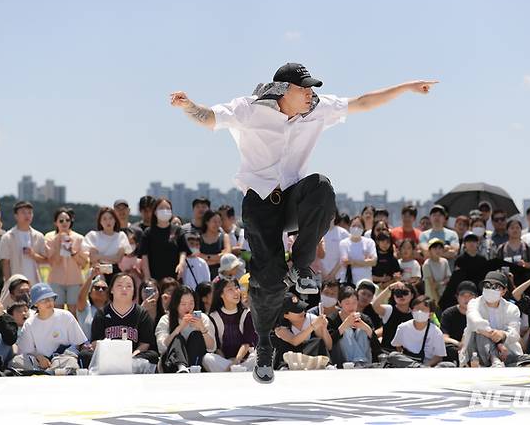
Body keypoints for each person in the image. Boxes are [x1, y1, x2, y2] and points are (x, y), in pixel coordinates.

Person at [170, 62, 438, 383]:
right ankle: (266, 343)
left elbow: (363, 102)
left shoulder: (318, 109)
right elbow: (210, 117)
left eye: (312, 89)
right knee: (267, 281)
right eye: (304, 89)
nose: (311, 94)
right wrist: (189, 106)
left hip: (294, 200)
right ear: (284, 91)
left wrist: (406, 87)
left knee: (321, 186)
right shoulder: (249, 110)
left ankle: (301, 266)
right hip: (260, 205)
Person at [90, 273, 159, 373]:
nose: (124, 289)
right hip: (107, 357)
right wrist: (113, 356)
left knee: (152, 355)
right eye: (119, 285)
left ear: (134, 291)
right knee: (85, 355)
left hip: (133, 357)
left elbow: (145, 343)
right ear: (112, 290)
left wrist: (132, 356)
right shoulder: (102, 313)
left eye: (129, 286)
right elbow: (95, 342)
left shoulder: (141, 313)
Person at [13, 283, 89, 373]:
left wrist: (61, 356)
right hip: (40, 362)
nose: (49, 302)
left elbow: (78, 343)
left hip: (63, 358)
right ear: (36, 304)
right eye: (44, 300)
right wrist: (39, 357)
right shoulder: (29, 323)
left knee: (70, 361)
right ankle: (51, 372)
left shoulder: (65, 315)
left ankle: (48, 372)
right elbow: (26, 351)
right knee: (16, 361)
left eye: (51, 298)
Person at [459, 271, 525, 367]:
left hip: (506, 354)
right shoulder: (474, 303)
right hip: (477, 354)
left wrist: (502, 335)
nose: (491, 289)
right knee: (478, 332)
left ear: (504, 291)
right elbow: (476, 322)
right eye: (487, 285)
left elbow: (515, 334)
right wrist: (497, 341)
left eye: (496, 287)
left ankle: (504, 361)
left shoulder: (512, 308)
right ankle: (494, 359)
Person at [155, 285, 216, 373]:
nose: (188, 307)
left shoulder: (202, 318)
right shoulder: (166, 319)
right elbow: (162, 347)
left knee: (196, 335)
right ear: (176, 304)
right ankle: (182, 367)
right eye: (183, 304)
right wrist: (179, 328)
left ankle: (192, 368)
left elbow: (212, 347)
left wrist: (202, 329)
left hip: (197, 364)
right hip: (172, 365)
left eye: (191, 303)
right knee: (177, 338)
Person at [204, 277, 257, 372]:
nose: (236, 292)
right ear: (221, 294)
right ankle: (236, 371)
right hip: (225, 360)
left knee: (257, 356)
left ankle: (231, 371)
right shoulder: (214, 316)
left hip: (244, 360)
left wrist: (236, 361)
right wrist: (228, 362)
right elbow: (217, 347)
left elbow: (247, 343)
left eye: (237, 288)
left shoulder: (247, 313)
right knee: (207, 358)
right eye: (230, 289)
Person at [0, 201, 47, 304]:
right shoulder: (7, 237)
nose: (27, 215)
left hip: (35, 283)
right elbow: (5, 263)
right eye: (23, 212)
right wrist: (8, 283)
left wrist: (33, 255)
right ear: (16, 215)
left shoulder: (39, 236)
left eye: (30, 212)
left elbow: (46, 260)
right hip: (16, 284)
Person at [387, 295, 452, 368]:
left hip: (427, 364)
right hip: (408, 361)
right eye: (417, 309)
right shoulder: (403, 327)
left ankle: (420, 368)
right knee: (393, 355)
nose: (419, 312)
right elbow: (397, 346)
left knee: (449, 365)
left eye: (423, 309)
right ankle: (418, 367)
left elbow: (439, 356)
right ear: (412, 311)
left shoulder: (436, 332)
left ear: (430, 314)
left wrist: (427, 365)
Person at [45, 208, 88, 315]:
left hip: (75, 280)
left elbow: (84, 264)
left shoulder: (79, 238)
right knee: (56, 311)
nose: (64, 223)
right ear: (55, 223)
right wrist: (59, 242)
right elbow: (52, 262)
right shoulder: (50, 237)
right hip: (56, 279)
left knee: (74, 312)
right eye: (61, 221)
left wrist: (72, 251)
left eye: (67, 220)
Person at [274, 292, 332, 370]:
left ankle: (326, 364)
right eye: (296, 310)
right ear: (285, 315)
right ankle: (284, 366)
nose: (301, 312)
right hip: (289, 357)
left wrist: (324, 329)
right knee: (284, 344)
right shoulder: (280, 328)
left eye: (301, 308)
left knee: (317, 341)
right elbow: (294, 341)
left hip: (309, 355)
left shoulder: (312, 319)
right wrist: (312, 326)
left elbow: (328, 346)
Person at [326, 285, 379, 367]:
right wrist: (345, 325)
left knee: (363, 330)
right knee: (347, 330)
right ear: (340, 303)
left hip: (366, 360)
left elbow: (377, 345)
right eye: (347, 303)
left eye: (354, 302)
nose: (351, 306)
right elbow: (330, 343)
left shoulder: (365, 318)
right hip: (343, 360)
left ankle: (362, 362)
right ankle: (356, 362)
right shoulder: (332, 319)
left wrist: (365, 327)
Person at [83, 207, 133, 283]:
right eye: (104, 219)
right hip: (97, 271)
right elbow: (93, 258)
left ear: (115, 220)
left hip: (115, 272)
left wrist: (100, 256)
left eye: (110, 218)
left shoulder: (121, 236)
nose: (108, 221)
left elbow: (118, 259)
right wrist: (110, 257)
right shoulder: (93, 236)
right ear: (100, 221)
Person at [139, 197, 181, 282]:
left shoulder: (177, 230)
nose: (165, 211)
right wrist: (147, 277)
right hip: (154, 277)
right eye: (161, 208)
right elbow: (144, 256)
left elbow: (183, 250)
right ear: (154, 212)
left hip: (174, 278)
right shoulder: (148, 232)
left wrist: (181, 264)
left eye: (168, 208)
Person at [372, 281, 417, 350]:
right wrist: (389, 288)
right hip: (387, 352)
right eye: (398, 293)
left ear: (412, 296)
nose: (401, 296)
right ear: (393, 296)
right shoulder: (389, 310)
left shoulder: (415, 315)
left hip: (407, 354)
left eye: (405, 292)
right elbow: (375, 305)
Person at [440, 281, 477, 365]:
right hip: (456, 347)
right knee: (446, 348)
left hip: (475, 347)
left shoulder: (480, 312)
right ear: (457, 297)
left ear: (476, 298)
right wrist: (459, 344)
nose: (466, 298)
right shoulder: (448, 313)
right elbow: (444, 337)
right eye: (463, 295)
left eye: (470, 295)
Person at [339, 216, 378, 285]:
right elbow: (345, 261)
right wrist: (365, 261)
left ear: (363, 228)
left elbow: (373, 262)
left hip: (366, 280)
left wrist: (352, 261)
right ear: (349, 227)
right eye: (353, 226)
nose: (356, 228)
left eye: (359, 226)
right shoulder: (344, 243)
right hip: (349, 281)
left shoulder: (369, 242)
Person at [76, 269, 108, 341]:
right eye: (97, 288)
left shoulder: (111, 310)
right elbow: (80, 297)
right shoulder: (85, 307)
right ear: (90, 293)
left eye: (104, 288)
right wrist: (91, 277)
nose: (100, 290)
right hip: (85, 348)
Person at [199, 210, 231, 278]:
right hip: (202, 272)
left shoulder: (224, 237)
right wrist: (217, 259)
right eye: (214, 221)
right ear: (207, 222)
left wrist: (206, 258)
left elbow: (226, 255)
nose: (217, 224)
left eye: (219, 222)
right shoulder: (198, 238)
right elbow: (197, 256)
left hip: (220, 274)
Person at [320, 214, 350, 282]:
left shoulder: (344, 233)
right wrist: (323, 273)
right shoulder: (317, 231)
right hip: (320, 275)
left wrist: (333, 274)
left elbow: (344, 256)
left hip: (339, 276)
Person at [422, 238, 451, 305]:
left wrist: (439, 283)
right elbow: (432, 286)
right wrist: (438, 303)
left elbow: (448, 278)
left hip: (444, 296)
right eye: (435, 248)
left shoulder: (445, 261)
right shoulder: (427, 264)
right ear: (430, 250)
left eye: (440, 248)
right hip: (432, 299)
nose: (438, 250)